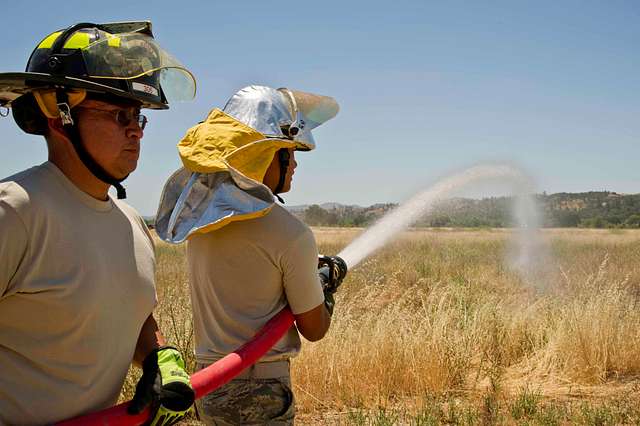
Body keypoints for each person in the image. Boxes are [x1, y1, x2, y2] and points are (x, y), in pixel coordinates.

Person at [0, 21, 197, 425]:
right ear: (59, 116)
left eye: (138, 117)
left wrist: (159, 356)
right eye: (117, 114)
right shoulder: (15, 212)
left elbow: (134, 312)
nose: (134, 132)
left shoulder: (130, 224)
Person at [155, 85, 346, 425]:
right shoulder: (291, 234)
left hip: (209, 387)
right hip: (262, 389)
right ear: (266, 154)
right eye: (288, 152)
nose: (295, 164)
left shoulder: (200, 224)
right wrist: (325, 291)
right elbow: (314, 328)